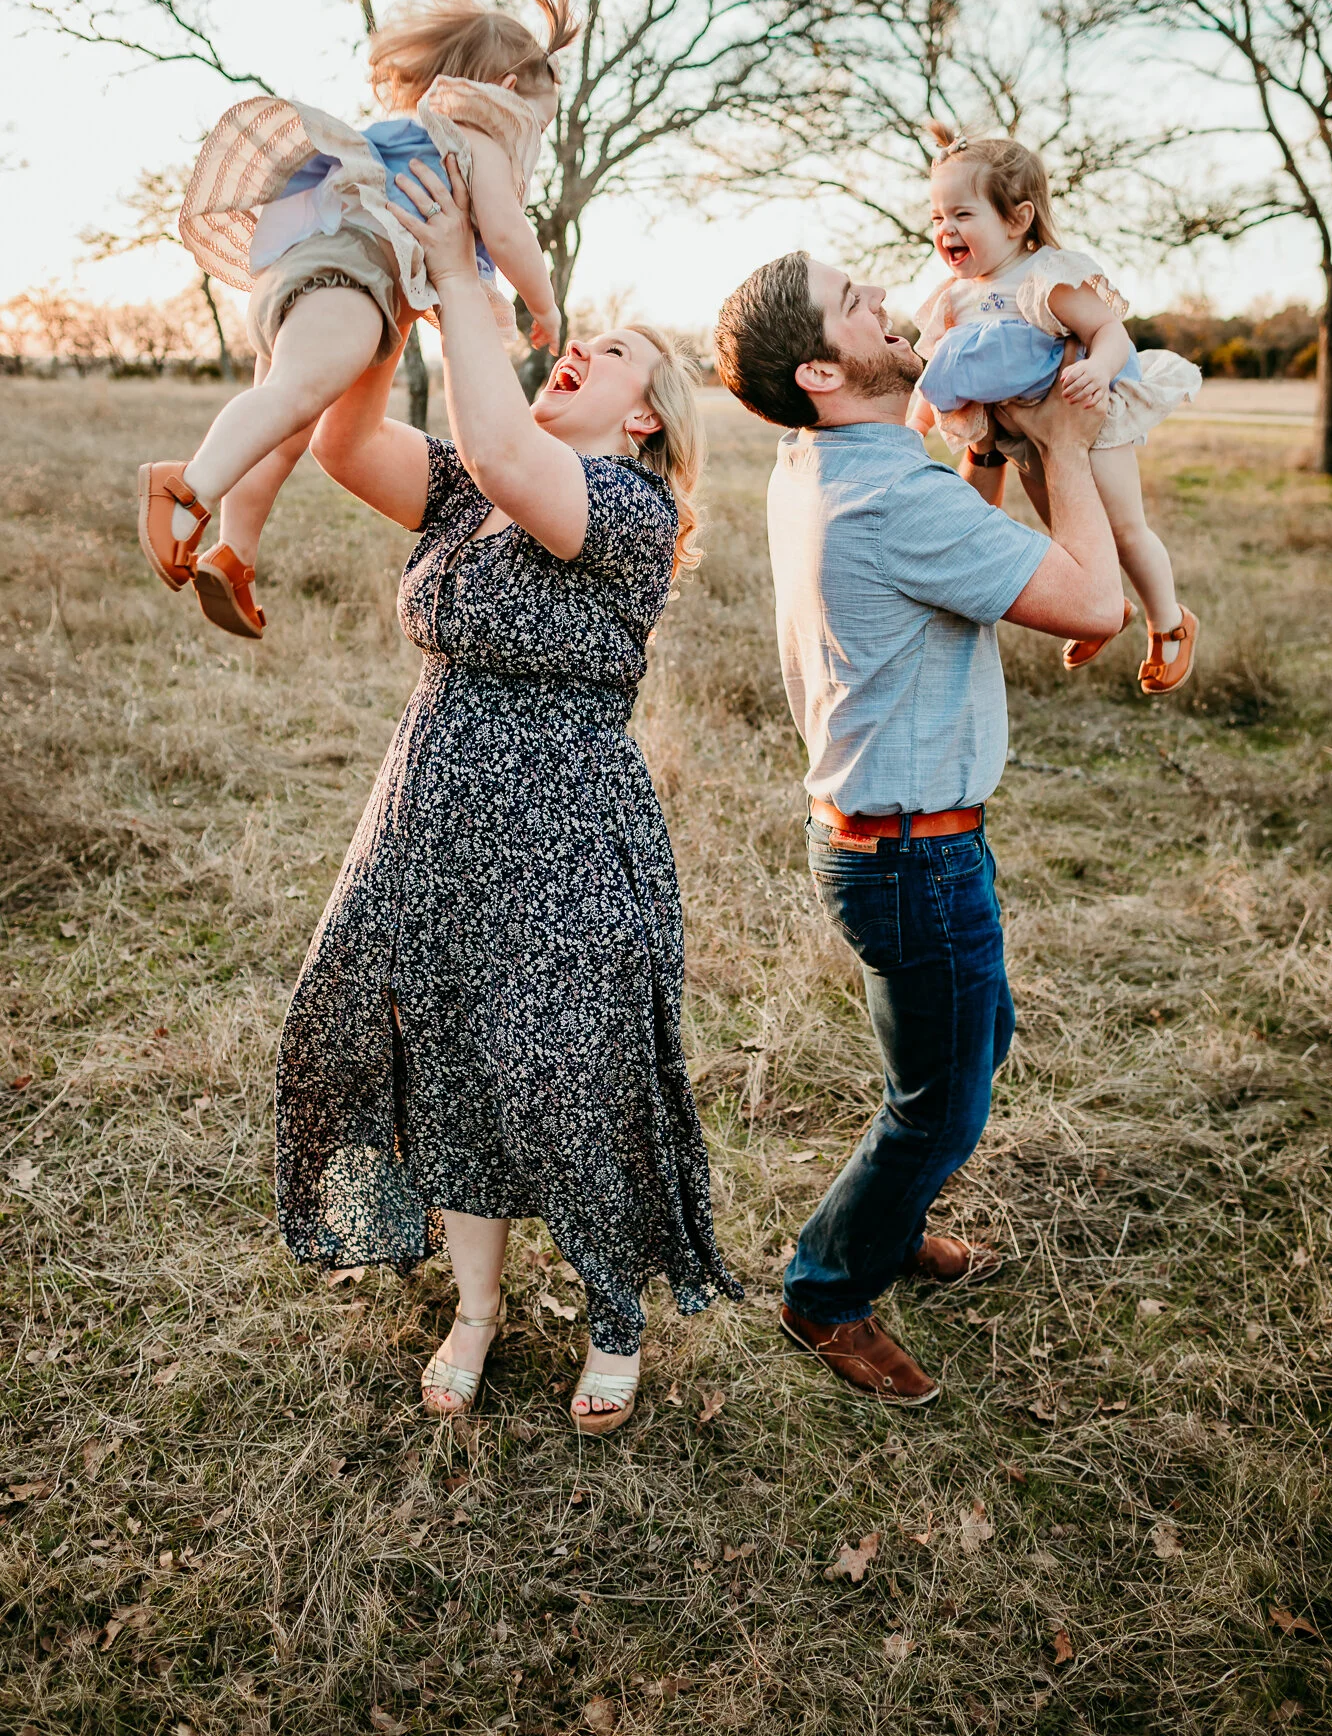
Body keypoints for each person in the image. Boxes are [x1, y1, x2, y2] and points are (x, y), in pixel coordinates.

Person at [275, 153, 740, 1437]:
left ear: (648, 416)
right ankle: (473, 1308)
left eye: (616, 349)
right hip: (426, 816)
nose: (580, 345)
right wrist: (391, 305)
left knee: (571, 1075)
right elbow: (342, 439)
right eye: (578, 336)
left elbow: (496, 431)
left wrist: (465, 280)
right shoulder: (471, 486)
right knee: (448, 1067)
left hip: (568, 835)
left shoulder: (626, 508)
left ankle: (614, 1313)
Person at [711, 250, 1122, 1405]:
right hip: (913, 852)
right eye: (860, 307)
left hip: (892, 842)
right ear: (823, 370)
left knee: (967, 1055)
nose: (889, 306)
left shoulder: (820, 460)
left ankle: (885, 1233)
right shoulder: (889, 492)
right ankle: (827, 1289)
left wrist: (983, 458)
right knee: (941, 1103)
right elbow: (1096, 603)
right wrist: (1070, 449)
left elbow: (938, 561)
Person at [136, 0, 572, 640]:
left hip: (311, 269)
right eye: (537, 124)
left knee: (283, 425)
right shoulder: (477, 137)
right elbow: (509, 234)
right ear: (506, 90)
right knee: (294, 395)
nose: (531, 139)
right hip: (350, 272)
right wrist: (545, 305)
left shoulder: (413, 131)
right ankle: (184, 486)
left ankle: (235, 553)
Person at [912, 125, 1200, 694]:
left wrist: (1096, 366)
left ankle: (1169, 622)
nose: (946, 230)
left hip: (1090, 420)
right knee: (1069, 535)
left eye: (963, 215)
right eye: (937, 218)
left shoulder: (1046, 276)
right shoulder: (955, 298)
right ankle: (1101, 607)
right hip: (1027, 440)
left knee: (1122, 529)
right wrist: (911, 429)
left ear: (1018, 219)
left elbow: (1109, 332)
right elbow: (934, 373)